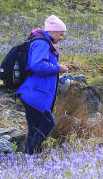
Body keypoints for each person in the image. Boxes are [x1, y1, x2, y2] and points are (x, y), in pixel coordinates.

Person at [16, 14, 68, 154]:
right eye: (61, 34)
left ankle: (28, 159)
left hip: (33, 92)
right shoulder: (42, 43)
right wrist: (58, 68)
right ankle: (33, 156)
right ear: (53, 31)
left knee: (34, 127)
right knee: (47, 123)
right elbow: (37, 66)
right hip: (34, 93)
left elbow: (42, 64)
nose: (62, 38)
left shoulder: (44, 43)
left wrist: (56, 66)